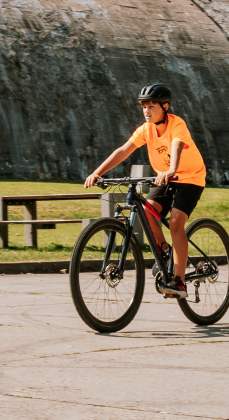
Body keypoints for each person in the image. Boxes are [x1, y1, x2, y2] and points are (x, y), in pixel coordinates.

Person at [85, 82, 208, 296]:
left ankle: (179, 282)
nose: (146, 111)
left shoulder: (177, 125)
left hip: (190, 177)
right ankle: (166, 253)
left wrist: (171, 169)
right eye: (143, 106)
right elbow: (124, 150)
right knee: (148, 210)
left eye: (151, 106)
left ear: (165, 106)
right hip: (164, 178)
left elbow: (177, 145)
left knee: (176, 222)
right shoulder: (146, 130)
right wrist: (98, 172)